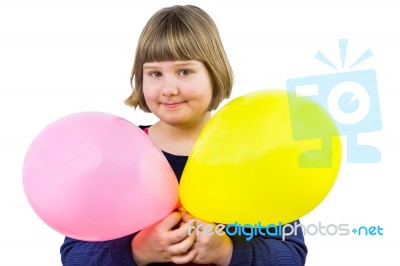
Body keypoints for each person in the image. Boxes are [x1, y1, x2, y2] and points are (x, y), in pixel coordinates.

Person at [60, 5, 307, 266]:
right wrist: (136, 252)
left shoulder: (252, 155)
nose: (168, 88)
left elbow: (291, 254)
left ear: (214, 73)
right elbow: (74, 255)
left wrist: (227, 252)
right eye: (155, 73)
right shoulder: (118, 155)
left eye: (184, 71)